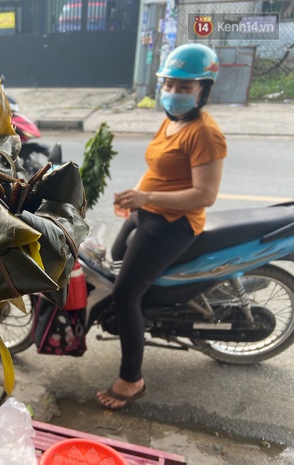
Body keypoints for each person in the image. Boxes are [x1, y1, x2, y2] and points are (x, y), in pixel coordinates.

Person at [96, 43, 227, 410]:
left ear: (204, 89)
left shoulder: (204, 133)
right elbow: (159, 168)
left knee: (125, 294)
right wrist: (136, 195)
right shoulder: (172, 118)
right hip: (148, 210)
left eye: (184, 87)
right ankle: (144, 318)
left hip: (174, 222)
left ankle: (131, 379)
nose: (173, 92)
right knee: (114, 263)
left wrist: (145, 199)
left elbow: (204, 195)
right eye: (169, 84)